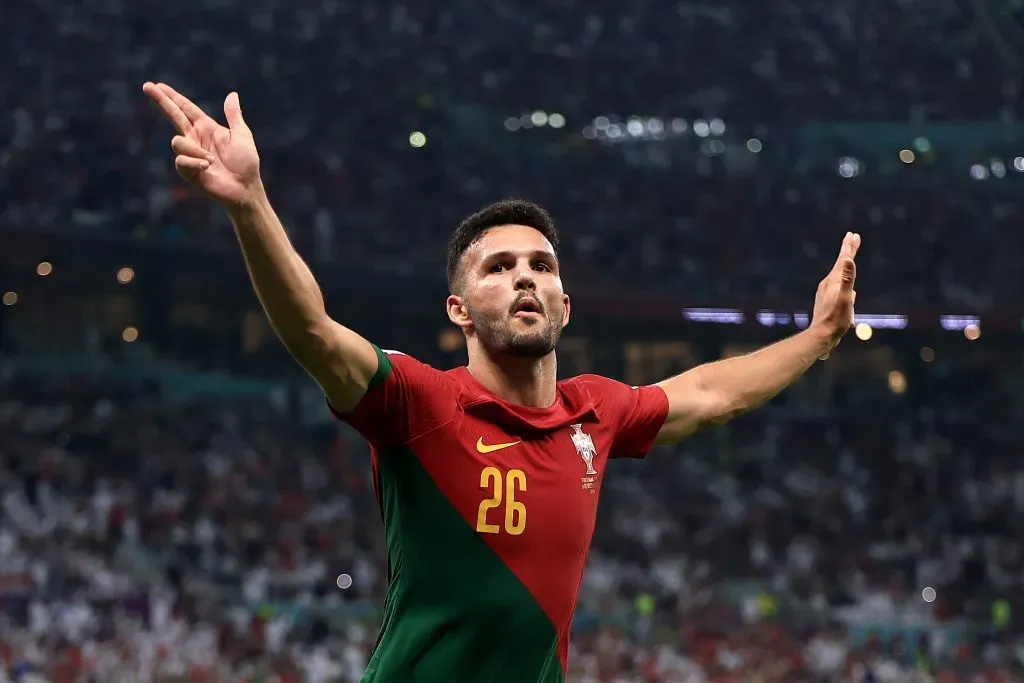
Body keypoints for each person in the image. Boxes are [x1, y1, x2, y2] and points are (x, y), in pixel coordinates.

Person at [143, 82, 861, 683]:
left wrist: (819, 336)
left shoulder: (594, 413)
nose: (525, 275)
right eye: (499, 266)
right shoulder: (420, 402)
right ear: (459, 309)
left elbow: (712, 393)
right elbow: (314, 332)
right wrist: (251, 203)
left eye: (542, 266)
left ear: (565, 304)